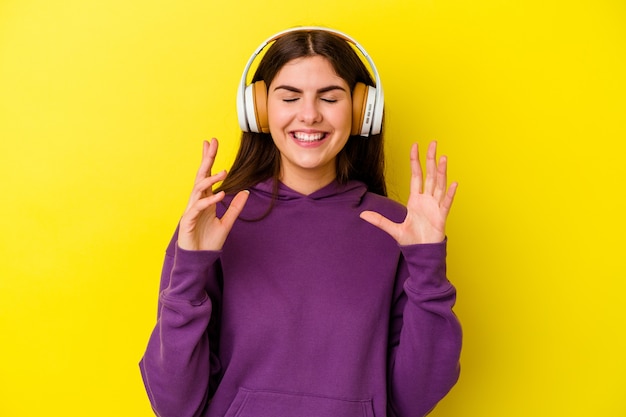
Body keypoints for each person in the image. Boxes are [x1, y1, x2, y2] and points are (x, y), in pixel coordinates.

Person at [140, 26, 462, 417]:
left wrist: (427, 266)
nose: (309, 114)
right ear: (258, 109)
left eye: (329, 97)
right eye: (289, 97)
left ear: (362, 111)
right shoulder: (216, 222)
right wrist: (190, 268)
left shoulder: (396, 226)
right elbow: (174, 406)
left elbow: (415, 398)